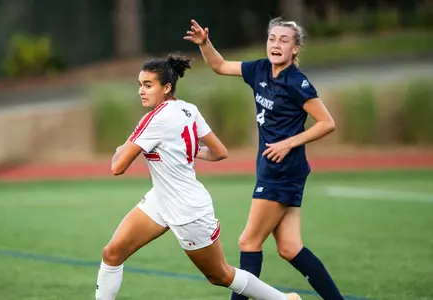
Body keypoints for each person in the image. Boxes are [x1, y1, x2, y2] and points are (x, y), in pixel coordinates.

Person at [94, 52, 301, 300]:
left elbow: (117, 167)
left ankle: (282, 299)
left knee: (221, 275)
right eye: (140, 85)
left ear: (166, 87)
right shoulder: (187, 108)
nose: (141, 90)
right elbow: (219, 152)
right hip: (161, 198)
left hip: (187, 208)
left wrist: (122, 147)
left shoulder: (154, 120)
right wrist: (187, 152)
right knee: (112, 253)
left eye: (148, 85)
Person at [184, 17, 343, 300]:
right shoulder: (259, 69)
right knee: (290, 248)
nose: (276, 44)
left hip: (283, 170)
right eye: (272, 39)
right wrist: (205, 44)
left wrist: (288, 143)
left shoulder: (297, 82)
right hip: (275, 169)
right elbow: (220, 66)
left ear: (295, 49)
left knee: (248, 242)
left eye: (284, 40)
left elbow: (326, 122)